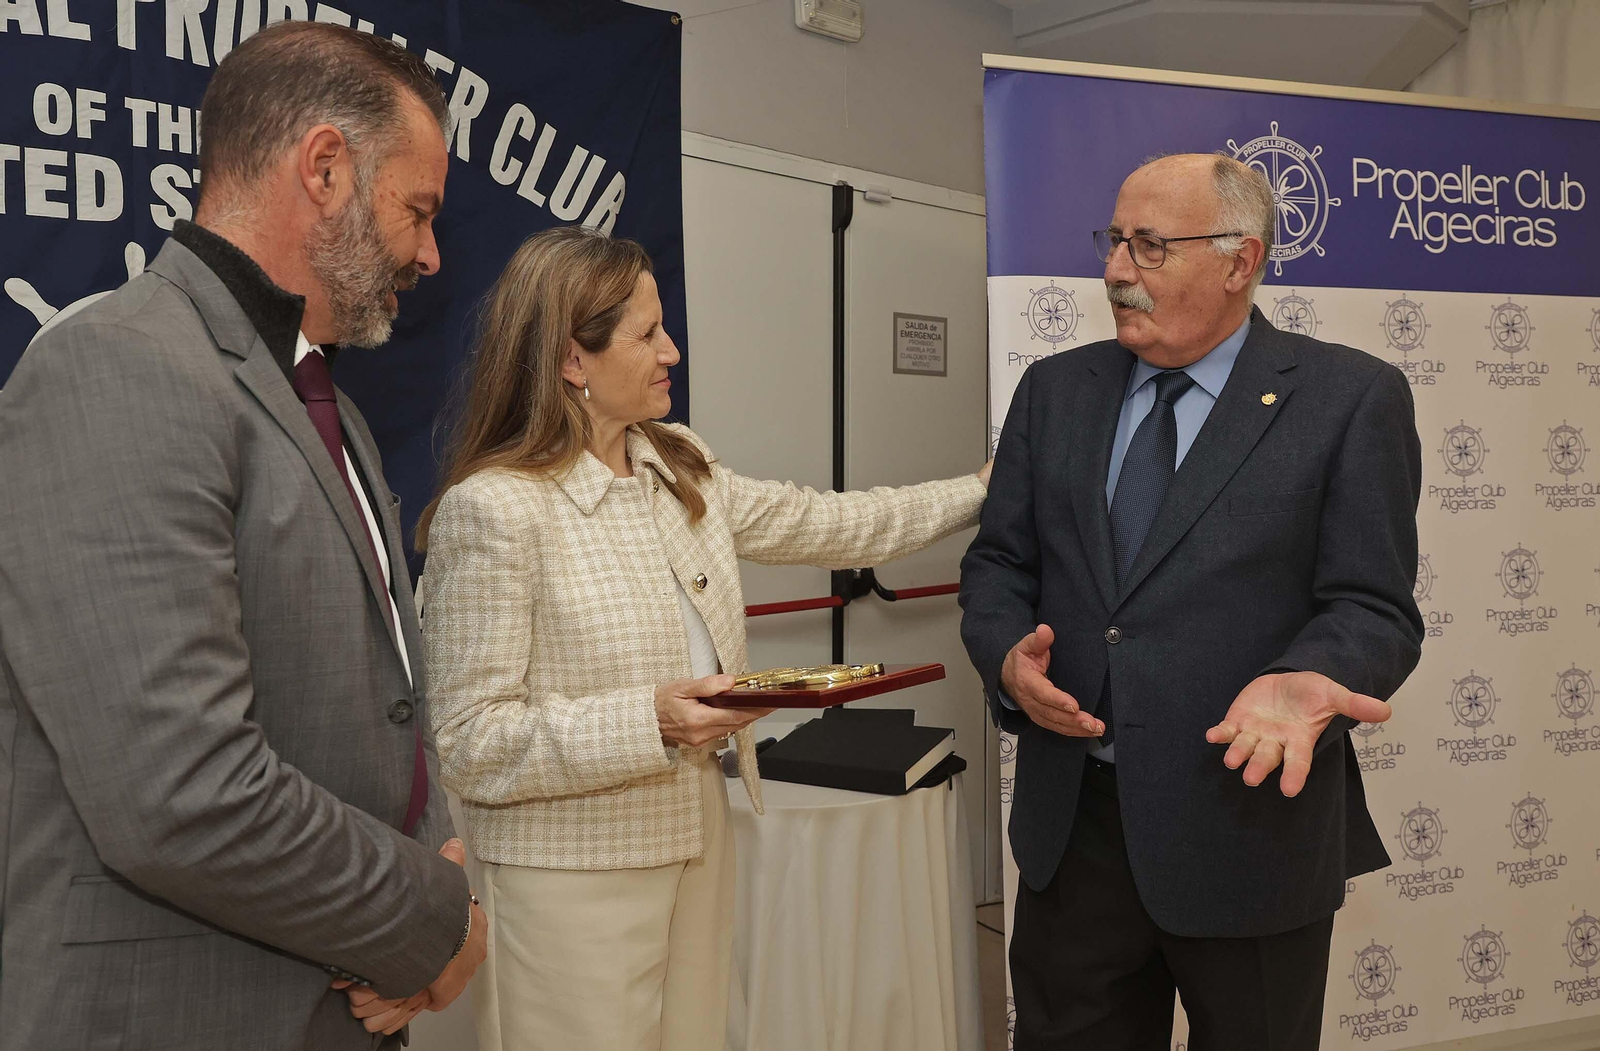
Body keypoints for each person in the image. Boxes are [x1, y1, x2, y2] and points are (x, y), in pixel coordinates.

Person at [0, 22, 486, 1051]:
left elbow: (394, 698)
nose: (431, 255)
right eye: (418, 209)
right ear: (323, 167)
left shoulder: (330, 407)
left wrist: (426, 889)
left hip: (345, 1002)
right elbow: (178, 793)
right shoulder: (119, 366)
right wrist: (430, 919)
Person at [418, 223, 990, 1051]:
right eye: (647, 334)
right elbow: (472, 742)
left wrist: (980, 489)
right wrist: (650, 720)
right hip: (567, 883)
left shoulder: (676, 462)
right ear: (573, 361)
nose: (671, 351)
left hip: (698, 844)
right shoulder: (497, 509)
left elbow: (837, 522)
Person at [960, 153, 1423, 1051]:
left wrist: (1310, 674)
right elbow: (998, 565)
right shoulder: (1054, 392)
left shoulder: (1349, 399)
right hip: (1075, 837)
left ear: (1240, 261)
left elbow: (1374, 605)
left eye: (1149, 247)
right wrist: (1009, 655)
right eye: (1114, 242)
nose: (1115, 271)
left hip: (1247, 829)